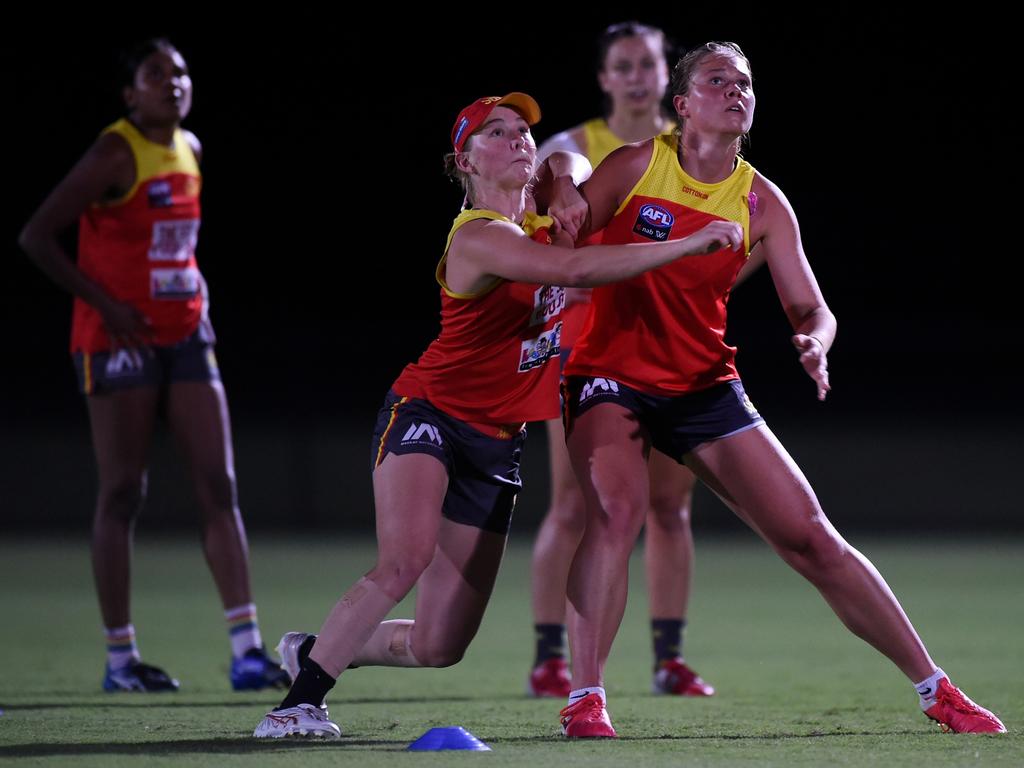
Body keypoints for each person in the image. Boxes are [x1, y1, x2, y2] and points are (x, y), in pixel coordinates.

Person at [251, 92, 744, 738]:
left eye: (521, 131)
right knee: (403, 560)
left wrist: (565, 179)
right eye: (496, 132)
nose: (517, 139)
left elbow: (565, 151)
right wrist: (686, 243)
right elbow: (574, 270)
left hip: (496, 443)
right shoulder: (480, 236)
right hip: (429, 414)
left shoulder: (539, 213)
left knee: (439, 644)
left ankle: (317, 649)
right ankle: (296, 704)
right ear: (464, 160)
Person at [554, 42, 1007, 738]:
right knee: (616, 514)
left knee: (813, 538)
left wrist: (814, 343)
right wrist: (557, 175)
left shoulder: (762, 201)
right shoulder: (641, 163)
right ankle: (586, 697)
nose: (736, 91)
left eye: (745, 83)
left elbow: (814, 309)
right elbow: (564, 231)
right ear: (683, 104)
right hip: (609, 375)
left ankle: (936, 688)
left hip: (704, 384)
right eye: (717, 80)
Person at [19, 38, 288, 693]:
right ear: (129, 93)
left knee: (220, 484)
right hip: (118, 342)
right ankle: (120, 660)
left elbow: (176, 246)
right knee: (123, 492)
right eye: (156, 74)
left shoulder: (190, 148)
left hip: (186, 335)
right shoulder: (115, 151)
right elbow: (36, 236)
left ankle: (248, 650)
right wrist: (104, 304)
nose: (174, 83)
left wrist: (198, 297)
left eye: (181, 72)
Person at [528, 20, 713, 700]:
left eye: (648, 64)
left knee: (670, 506)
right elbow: (560, 171)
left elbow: (741, 239)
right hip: (585, 343)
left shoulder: (691, 148)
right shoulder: (577, 145)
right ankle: (549, 658)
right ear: (605, 78)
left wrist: (699, 286)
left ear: (667, 75)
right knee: (575, 504)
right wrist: (568, 184)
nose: (638, 76)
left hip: (669, 347)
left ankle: (670, 659)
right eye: (624, 66)